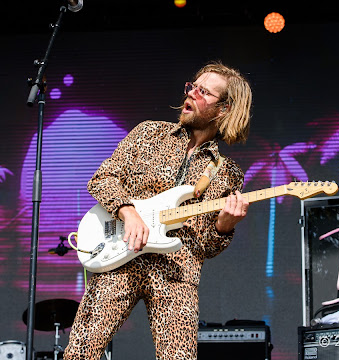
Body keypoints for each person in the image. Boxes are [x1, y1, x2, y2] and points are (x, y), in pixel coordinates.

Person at [63, 62, 253, 360]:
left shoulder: (227, 173)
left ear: (224, 109)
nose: (190, 94)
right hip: (120, 253)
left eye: (203, 92)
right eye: (192, 86)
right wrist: (129, 213)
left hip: (177, 270)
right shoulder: (149, 133)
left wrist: (224, 226)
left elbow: (205, 245)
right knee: (82, 350)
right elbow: (103, 179)